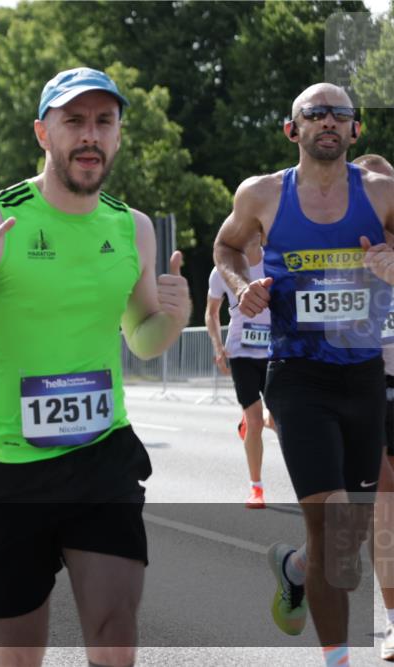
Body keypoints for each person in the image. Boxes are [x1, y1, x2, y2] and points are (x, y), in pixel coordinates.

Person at [0, 68, 190, 667]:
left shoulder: (132, 227)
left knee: (115, 634)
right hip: (6, 468)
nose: (90, 135)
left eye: (104, 122)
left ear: (118, 136)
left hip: (101, 456)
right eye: (74, 121)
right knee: (20, 654)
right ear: (43, 133)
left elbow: (142, 339)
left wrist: (173, 316)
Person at [213, 83, 394, 667]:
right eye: (315, 114)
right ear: (293, 130)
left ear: (355, 130)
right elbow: (226, 247)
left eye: (341, 114)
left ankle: (294, 568)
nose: (328, 121)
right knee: (331, 525)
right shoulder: (262, 194)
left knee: (349, 541)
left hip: (363, 377)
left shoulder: (383, 193)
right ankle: (337, 659)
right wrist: (242, 287)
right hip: (297, 376)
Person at [352, 152, 394, 662]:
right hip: (364, 385)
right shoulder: (341, 252)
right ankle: (391, 620)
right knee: (384, 499)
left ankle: (300, 566)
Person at [205, 239, 274, 508]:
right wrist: (218, 346)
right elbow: (211, 313)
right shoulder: (223, 270)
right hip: (241, 354)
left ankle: (253, 418)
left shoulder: (275, 261)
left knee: (278, 420)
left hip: (274, 352)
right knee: (255, 422)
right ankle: (256, 488)